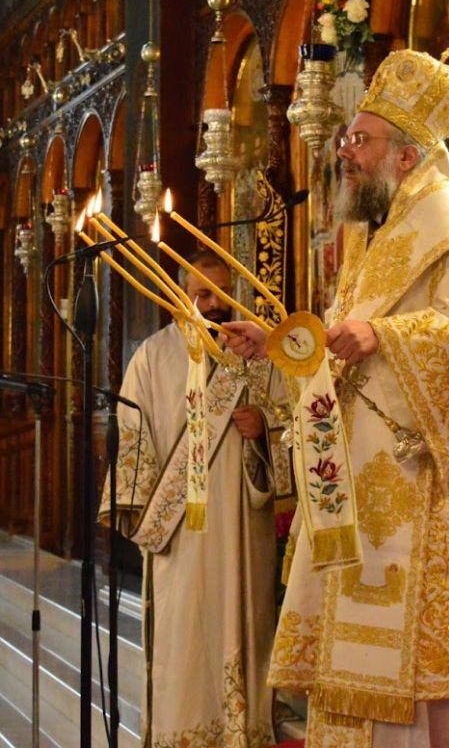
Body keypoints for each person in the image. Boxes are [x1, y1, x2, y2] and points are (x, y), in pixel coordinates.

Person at [224, 49, 449, 748]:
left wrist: (383, 335)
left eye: (359, 139)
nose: (345, 152)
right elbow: (343, 348)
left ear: (406, 155)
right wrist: (279, 342)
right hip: (356, 489)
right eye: (347, 138)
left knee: (420, 680)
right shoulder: (377, 236)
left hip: (421, 491)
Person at [99, 250, 278, 747]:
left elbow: (293, 424)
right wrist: (145, 512)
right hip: (180, 535)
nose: (214, 305)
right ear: (182, 295)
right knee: (184, 638)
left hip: (242, 526)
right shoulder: (152, 357)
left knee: (244, 626)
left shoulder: (258, 354)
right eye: (202, 294)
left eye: (221, 294)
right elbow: (131, 437)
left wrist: (264, 430)